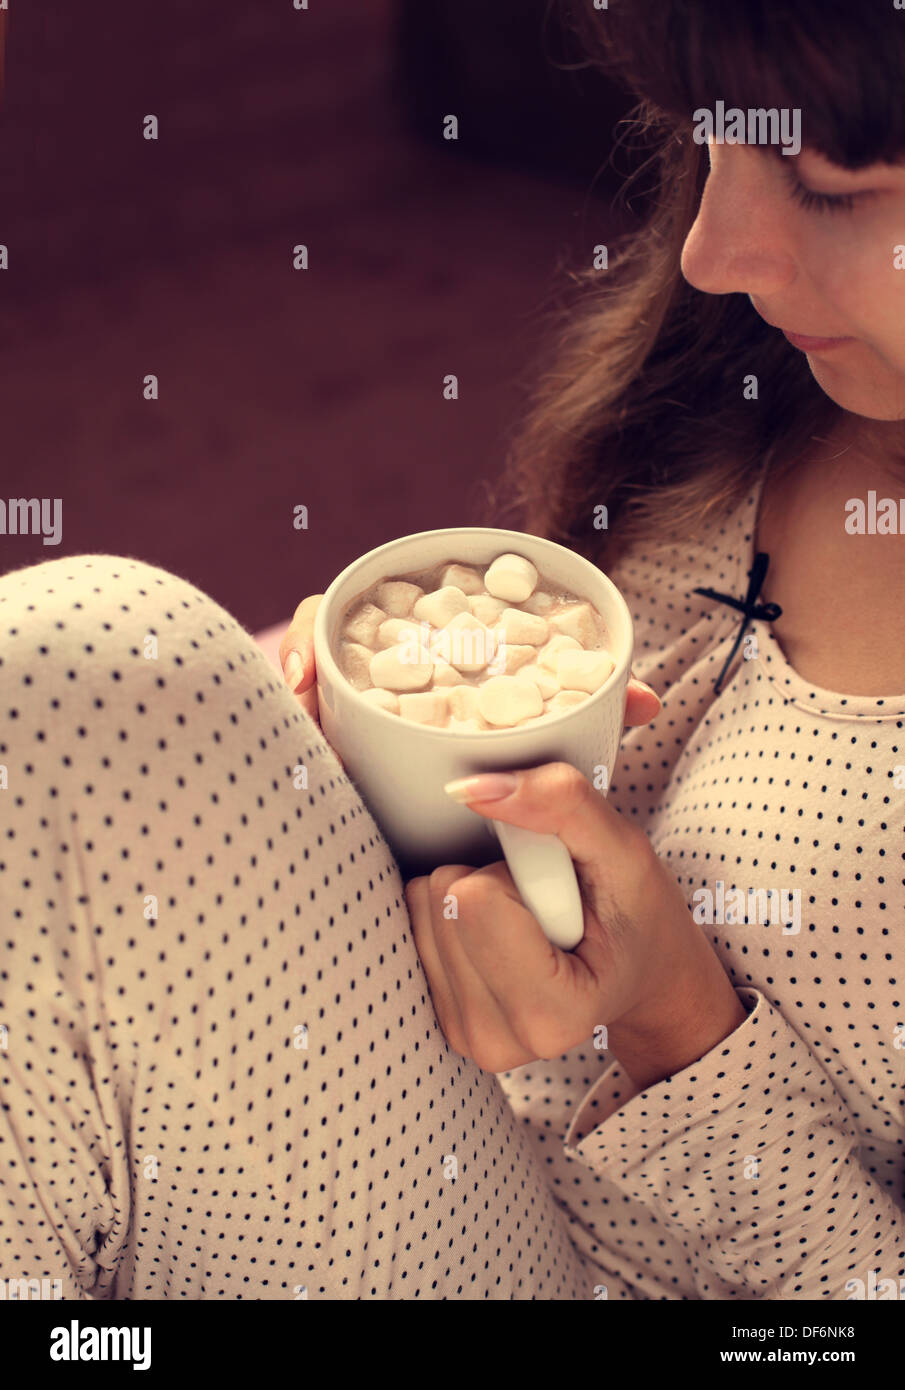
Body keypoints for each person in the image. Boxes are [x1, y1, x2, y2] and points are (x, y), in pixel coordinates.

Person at [1, 0, 903, 1302]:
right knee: (91, 687)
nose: (710, 249)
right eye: (709, 140)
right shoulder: (762, 372)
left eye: (827, 184)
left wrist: (673, 1026)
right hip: (403, 1139)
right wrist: (348, 761)